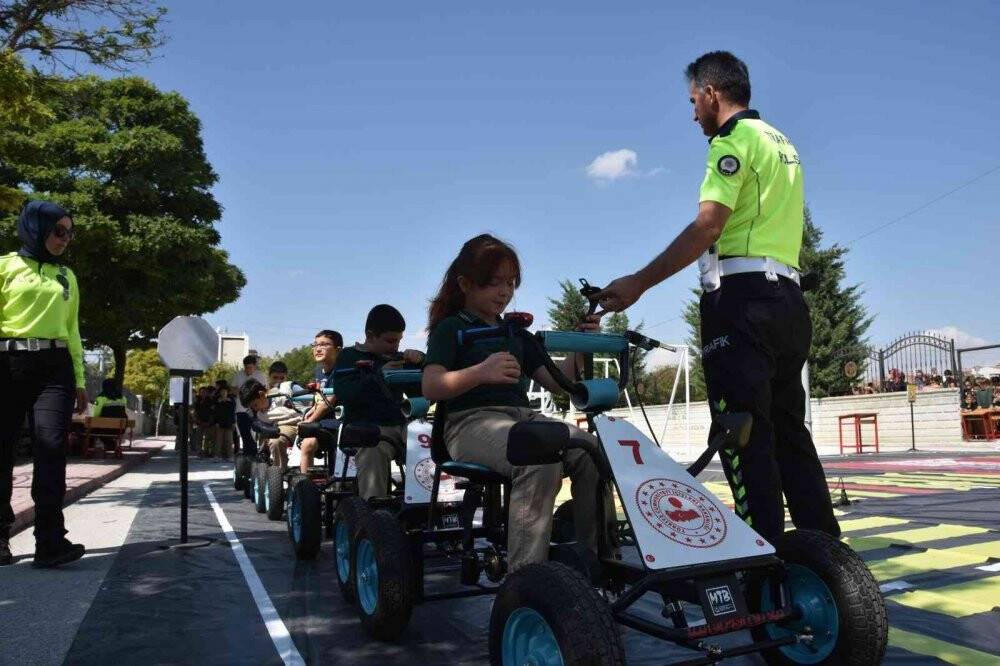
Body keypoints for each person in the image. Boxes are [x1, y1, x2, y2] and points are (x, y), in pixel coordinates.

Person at [595, 52, 839, 543]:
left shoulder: (732, 141)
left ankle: (759, 563)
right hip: (789, 300)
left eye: (693, 101)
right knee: (790, 432)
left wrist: (639, 282)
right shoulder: (782, 142)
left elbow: (709, 225)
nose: (692, 114)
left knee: (741, 433)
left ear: (711, 94)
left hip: (743, 302)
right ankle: (828, 558)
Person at [422, 234, 605, 572]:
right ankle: (524, 580)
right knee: (537, 457)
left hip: (521, 419)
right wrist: (480, 372)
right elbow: (431, 385)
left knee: (591, 451)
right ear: (465, 284)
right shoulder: (452, 328)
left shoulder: (516, 334)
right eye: (494, 282)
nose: (504, 291)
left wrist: (582, 344)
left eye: (510, 283)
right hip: (469, 422)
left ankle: (592, 563)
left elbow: (558, 381)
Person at [1, 200, 88, 568]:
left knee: (51, 450)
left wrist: (80, 379)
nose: (65, 238)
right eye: (59, 230)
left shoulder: (67, 276)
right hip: (7, 364)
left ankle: (50, 541)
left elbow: (72, 330)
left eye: (70, 232)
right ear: (35, 228)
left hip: (56, 368)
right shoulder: (4, 267)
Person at [333, 305, 423, 500]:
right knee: (373, 449)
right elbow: (344, 394)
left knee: (429, 442)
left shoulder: (397, 359)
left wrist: (420, 364)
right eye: (390, 341)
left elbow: (421, 393)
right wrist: (379, 376)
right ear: (370, 335)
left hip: (401, 426)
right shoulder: (349, 356)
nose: (395, 347)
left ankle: (434, 504)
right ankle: (374, 510)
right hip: (365, 428)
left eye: (398, 340)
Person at [238, 366, 302, 472]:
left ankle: (283, 472)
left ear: (261, 394)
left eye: (255, 405)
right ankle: (277, 470)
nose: (255, 408)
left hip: (298, 422)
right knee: (272, 439)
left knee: (276, 440)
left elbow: (311, 399)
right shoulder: (256, 413)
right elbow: (256, 426)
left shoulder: (284, 390)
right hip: (279, 428)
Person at [298, 330, 342, 474]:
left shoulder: (341, 371)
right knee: (307, 444)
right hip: (322, 423)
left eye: (324, 345)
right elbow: (319, 396)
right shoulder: (319, 370)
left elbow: (329, 401)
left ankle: (336, 480)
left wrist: (310, 420)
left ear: (338, 350)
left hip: (338, 424)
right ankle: (305, 484)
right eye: (315, 345)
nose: (318, 349)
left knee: (307, 439)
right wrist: (311, 410)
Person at [231, 355, 267, 457]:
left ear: (255, 366)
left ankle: (257, 452)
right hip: (241, 408)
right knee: (244, 432)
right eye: (246, 368)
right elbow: (232, 389)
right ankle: (248, 453)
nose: (248, 370)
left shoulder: (260, 375)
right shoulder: (238, 375)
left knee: (258, 430)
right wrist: (243, 392)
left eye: (250, 367)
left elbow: (265, 391)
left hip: (256, 408)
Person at [212, 380, 236, 459]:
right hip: (219, 422)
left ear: (227, 392)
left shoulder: (231, 401)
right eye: (222, 392)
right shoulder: (217, 401)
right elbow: (216, 413)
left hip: (229, 422)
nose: (223, 393)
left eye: (225, 392)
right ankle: (217, 455)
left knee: (229, 440)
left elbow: (233, 412)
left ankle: (230, 455)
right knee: (218, 440)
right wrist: (216, 422)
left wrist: (233, 422)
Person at [193, 386, 216, 457]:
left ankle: (208, 451)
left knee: (209, 438)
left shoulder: (211, 400)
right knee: (199, 438)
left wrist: (210, 421)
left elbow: (213, 412)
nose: (203, 393)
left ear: (207, 393)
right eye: (201, 392)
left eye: (204, 392)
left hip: (209, 422)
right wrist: (197, 421)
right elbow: (195, 412)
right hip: (199, 422)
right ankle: (199, 451)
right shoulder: (197, 401)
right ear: (199, 393)